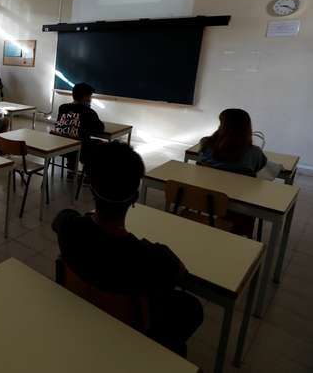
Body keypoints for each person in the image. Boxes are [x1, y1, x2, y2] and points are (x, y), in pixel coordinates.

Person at [52, 141, 203, 357]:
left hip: (81, 317)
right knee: (191, 307)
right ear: (134, 198)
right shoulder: (150, 257)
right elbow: (180, 273)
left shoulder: (68, 225)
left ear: (91, 187)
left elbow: (58, 222)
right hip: (127, 336)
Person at [197, 108, 267, 237]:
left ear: (222, 126)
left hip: (206, 197)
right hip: (238, 201)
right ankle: (240, 237)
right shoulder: (254, 153)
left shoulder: (205, 144)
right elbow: (260, 166)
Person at [51, 82, 104, 174]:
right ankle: (88, 174)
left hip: (59, 147)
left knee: (71, 136)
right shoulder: (89, 112)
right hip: (78, 150)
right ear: (85, 97)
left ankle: (71, 170)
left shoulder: (62, 107)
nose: (90, 99)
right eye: (90, 96)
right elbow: (100, 128)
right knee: (99, 144)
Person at [198, 108, 267, 175]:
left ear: (222, 126)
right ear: (247, 128)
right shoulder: (256, 152)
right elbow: (258, 169)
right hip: (240, 186)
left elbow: (200, 162)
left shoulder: (205, 143)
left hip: (205, 184)